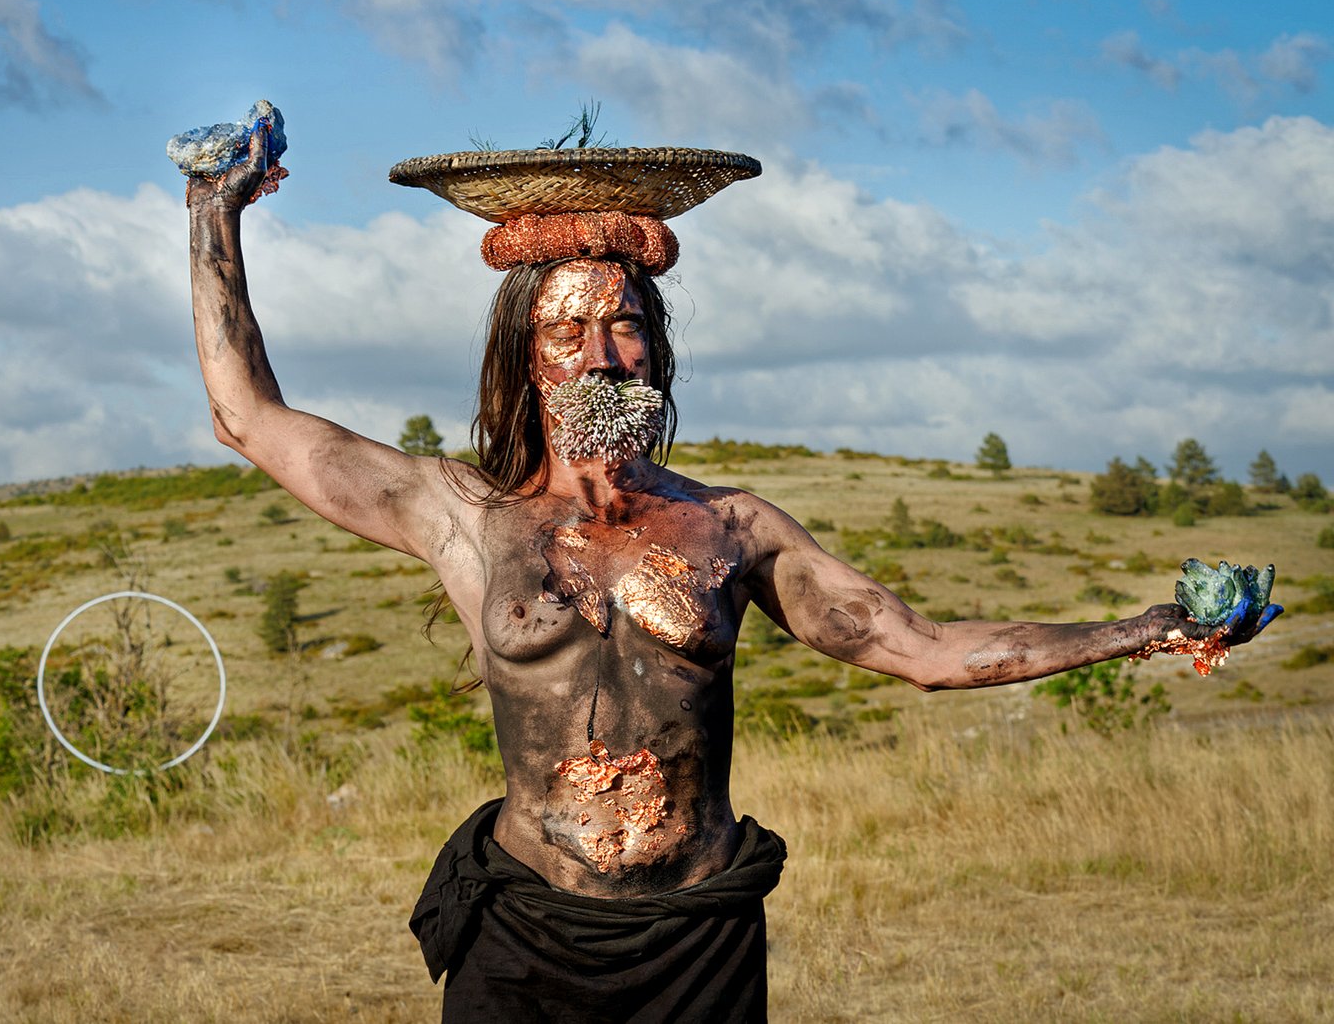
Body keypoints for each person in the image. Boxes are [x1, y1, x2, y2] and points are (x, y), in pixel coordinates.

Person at [185, 127, 1273, 1023]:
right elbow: (248, 417)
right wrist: (212, 212)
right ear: (527, 355)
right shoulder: (465, 518)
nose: (601, 354)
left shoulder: (731, 529)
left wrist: (1148, 626)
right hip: (524, 933)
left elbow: (925, 651)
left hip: (692, 944)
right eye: (568, 331)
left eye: (624, 326)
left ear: (655, 349)